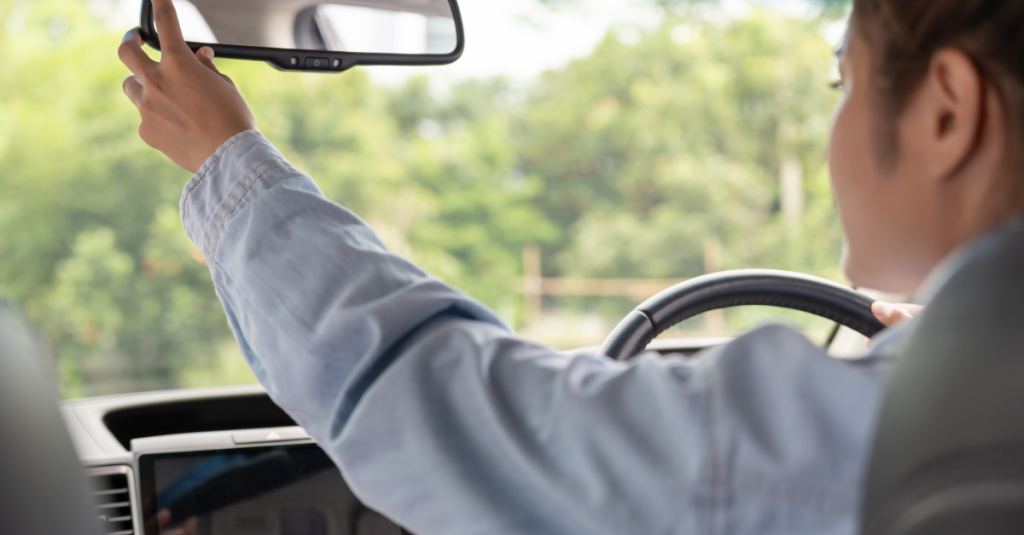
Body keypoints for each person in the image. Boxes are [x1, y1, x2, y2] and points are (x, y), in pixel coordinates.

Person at [117, 0, 1020, 532]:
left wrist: (227, 160)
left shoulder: (900, 421)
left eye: (843, 86)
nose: (833, 129)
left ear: (945, 111)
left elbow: (446, 407)